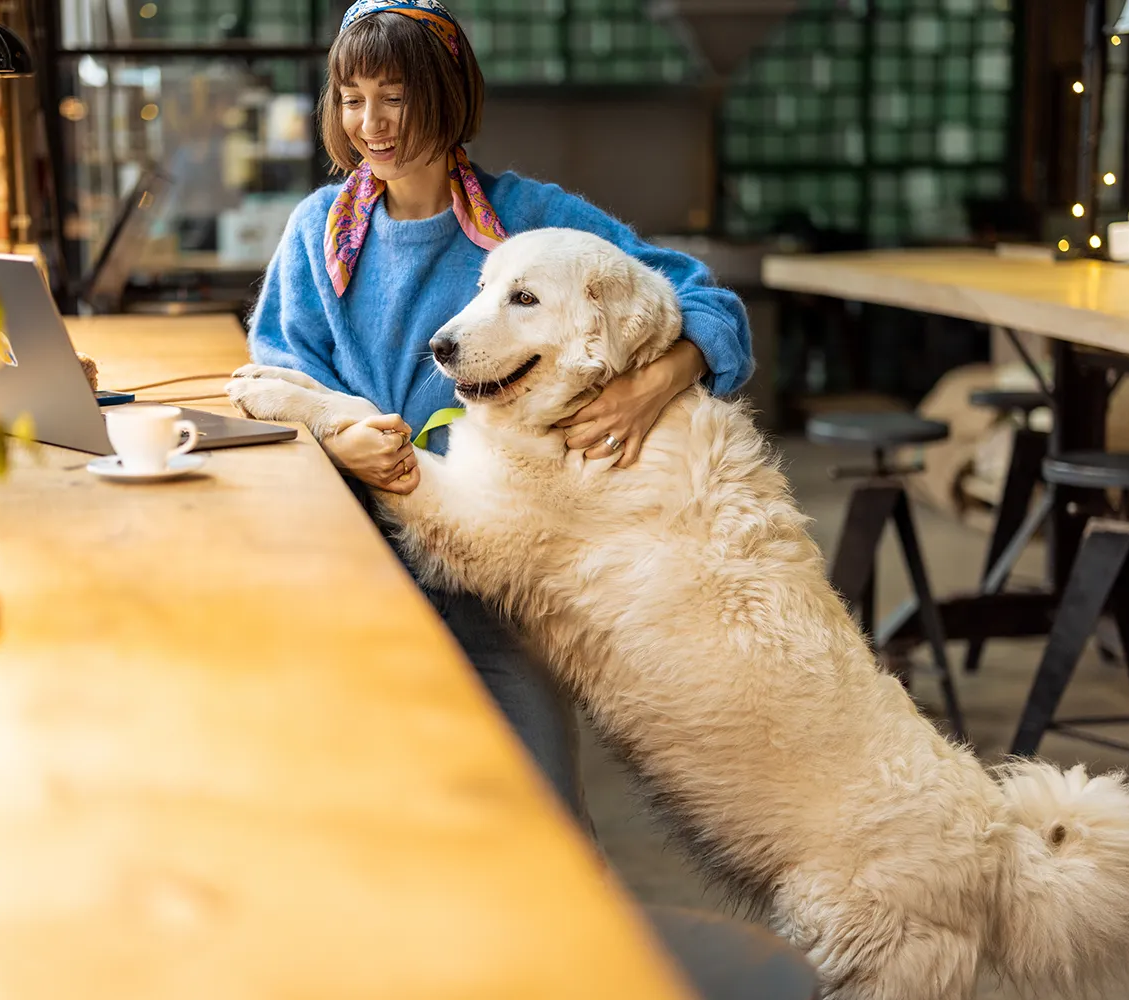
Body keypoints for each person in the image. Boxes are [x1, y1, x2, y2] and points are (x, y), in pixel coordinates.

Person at [246, 0, 753, 825]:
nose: (369, 122)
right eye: (350, 96)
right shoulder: (315, 232)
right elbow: (280, 367)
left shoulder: (531, 218)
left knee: (542, 811)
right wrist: (342, 440)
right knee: (378, 812)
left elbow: (705, 299)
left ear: (447, 95)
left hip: (499, 564)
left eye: (395, 96)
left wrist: (650, 384)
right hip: (351, 558)